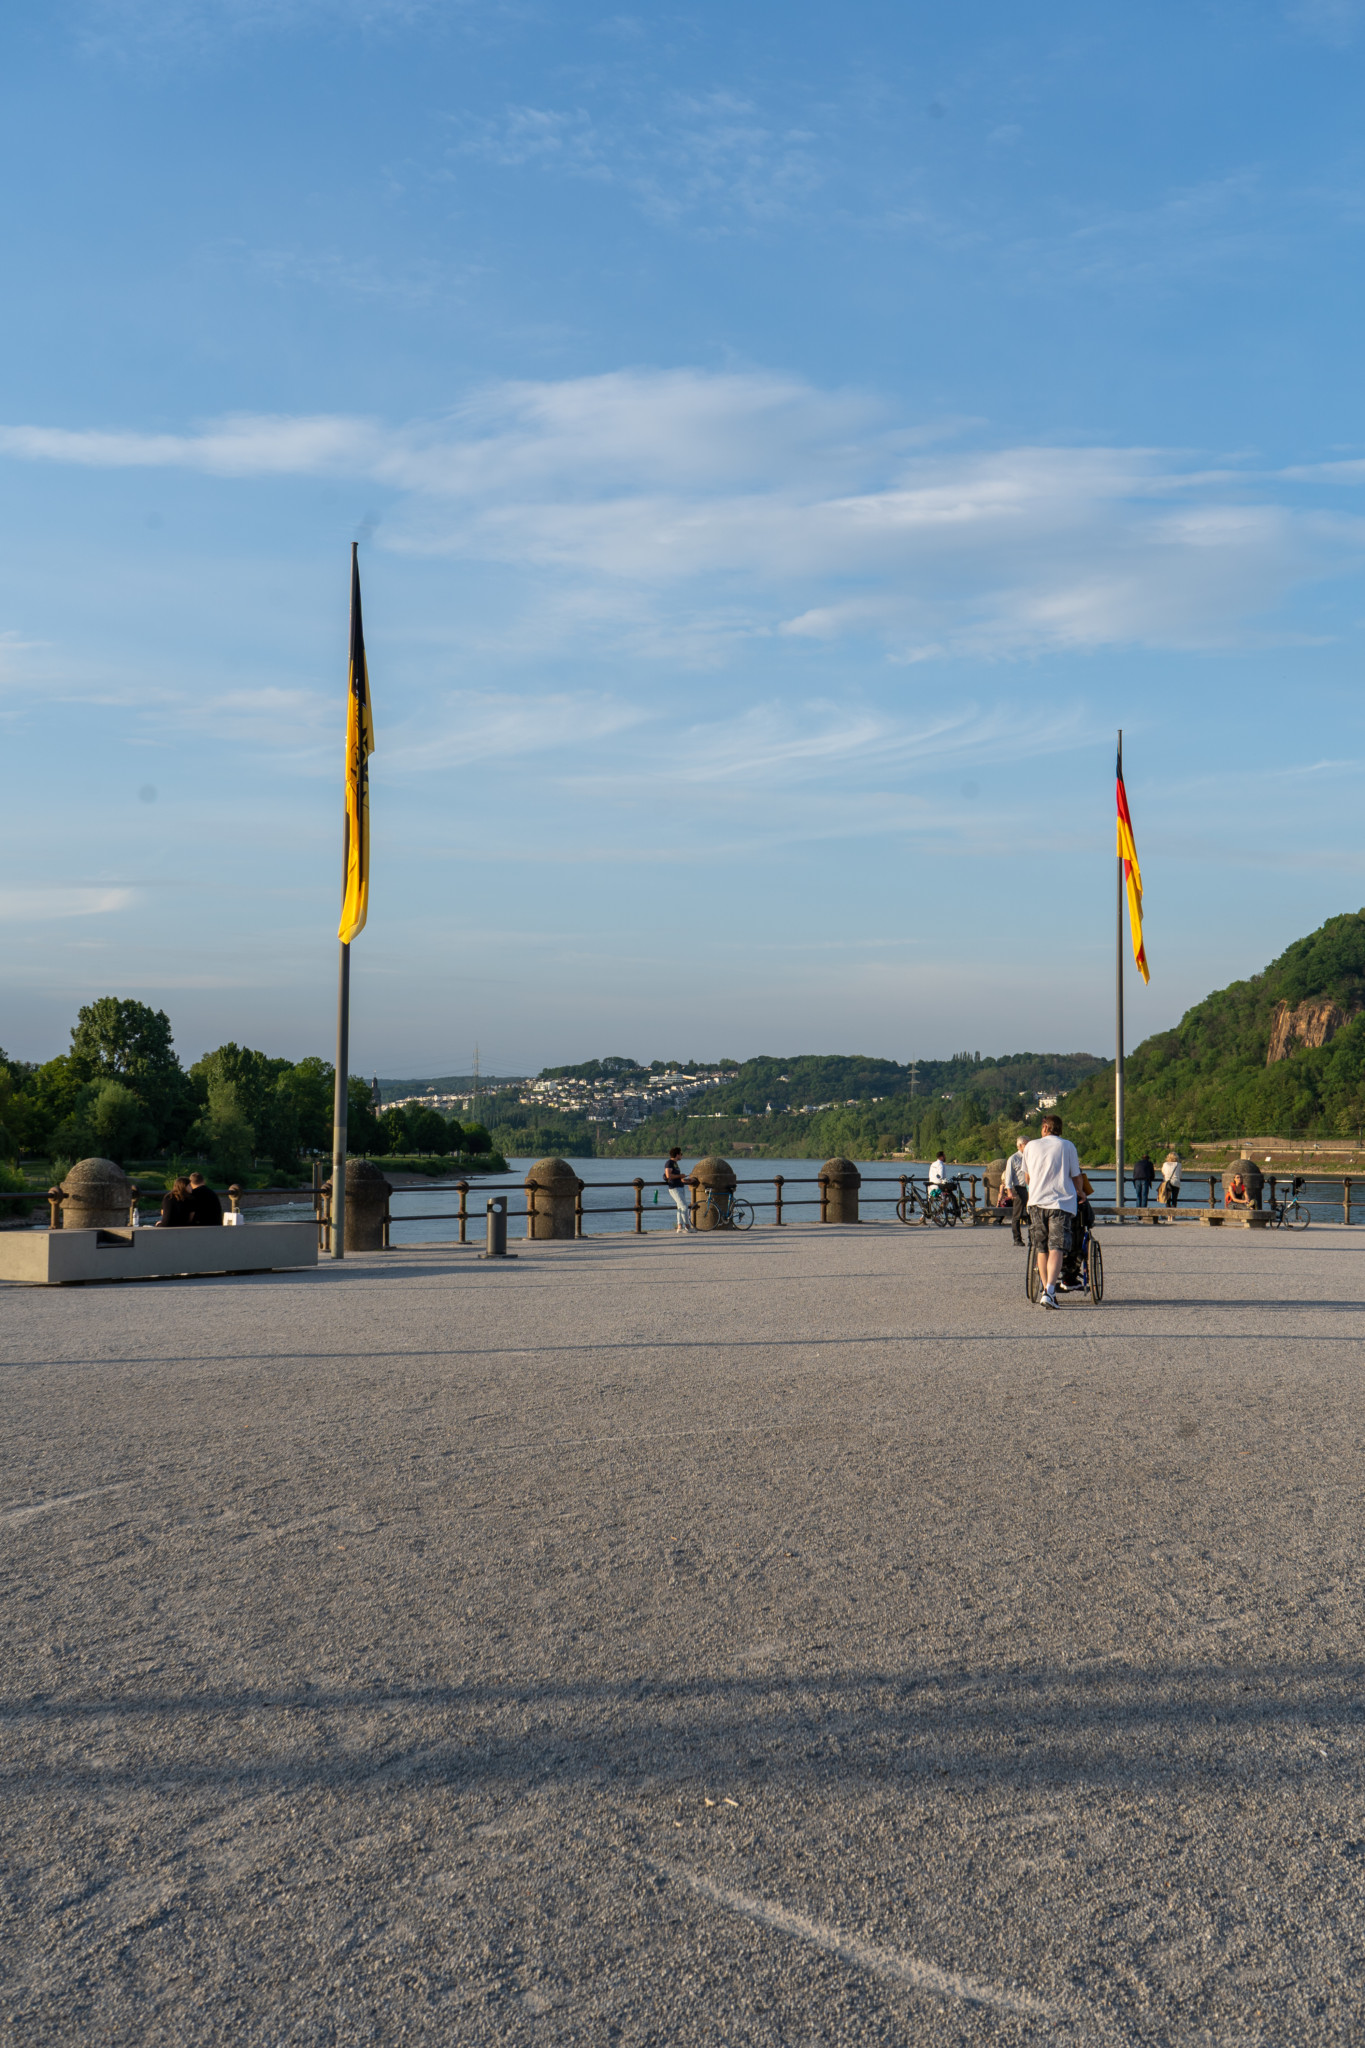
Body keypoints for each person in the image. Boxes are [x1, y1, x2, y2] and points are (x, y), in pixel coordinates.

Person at [1022, 1114, 1082, 1311]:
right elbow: (1076, 1176)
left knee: (1041, 1248)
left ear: (1046, 1128)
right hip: (1060, 1203)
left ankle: (1045, 1292)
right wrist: (1080, 1192)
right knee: (1056, 1247)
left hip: (1036, 1202)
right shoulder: (1068, 1146)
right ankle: (1050, 1291)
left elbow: (1028, 1177)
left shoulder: (1030, 1146)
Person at [1060, 1163, 1095, 1291]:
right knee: (1077, 1245)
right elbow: (1089, 1219)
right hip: (1073, 1238)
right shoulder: (1078, 1197)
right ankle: (1069, 1276)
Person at [1001, 1138, 1029, 1245]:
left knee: (1032, 1213)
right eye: (1027, 1144)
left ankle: (1032, 1238)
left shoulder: (1031, 1157)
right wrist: (1009, 1190)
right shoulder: (1013, 1158)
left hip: (1029, 1188)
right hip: (1018, 1188)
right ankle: (1017, 1239)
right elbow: (1008, 1176)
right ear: (1020, 1145)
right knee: (1017, 1214)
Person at [663, 1148, 691, 1232]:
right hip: (674, 1188)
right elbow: (668, 1176)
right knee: (684, 1206)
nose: (681, 1155)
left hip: (680, 1186)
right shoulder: (669, 1163)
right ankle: (687, 1227)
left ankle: (679, 1227)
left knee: (680, 1207)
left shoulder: (675, 1164)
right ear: (677, 1154)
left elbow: (676, 1176)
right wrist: (680, 1176)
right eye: (681, 1154)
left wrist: (685, 1179)